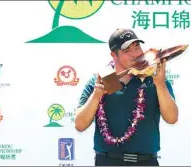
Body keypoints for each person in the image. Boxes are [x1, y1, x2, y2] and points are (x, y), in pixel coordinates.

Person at [75, 28, 179, 166]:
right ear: (114, 55)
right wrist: (96, 96)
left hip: (146, 162)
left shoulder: (154, 79)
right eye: (127, 50)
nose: (135, 54)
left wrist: (160, 84)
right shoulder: (99, 81)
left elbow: (172, 118)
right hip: (107, 161)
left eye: (137, 47)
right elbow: (80, 125)